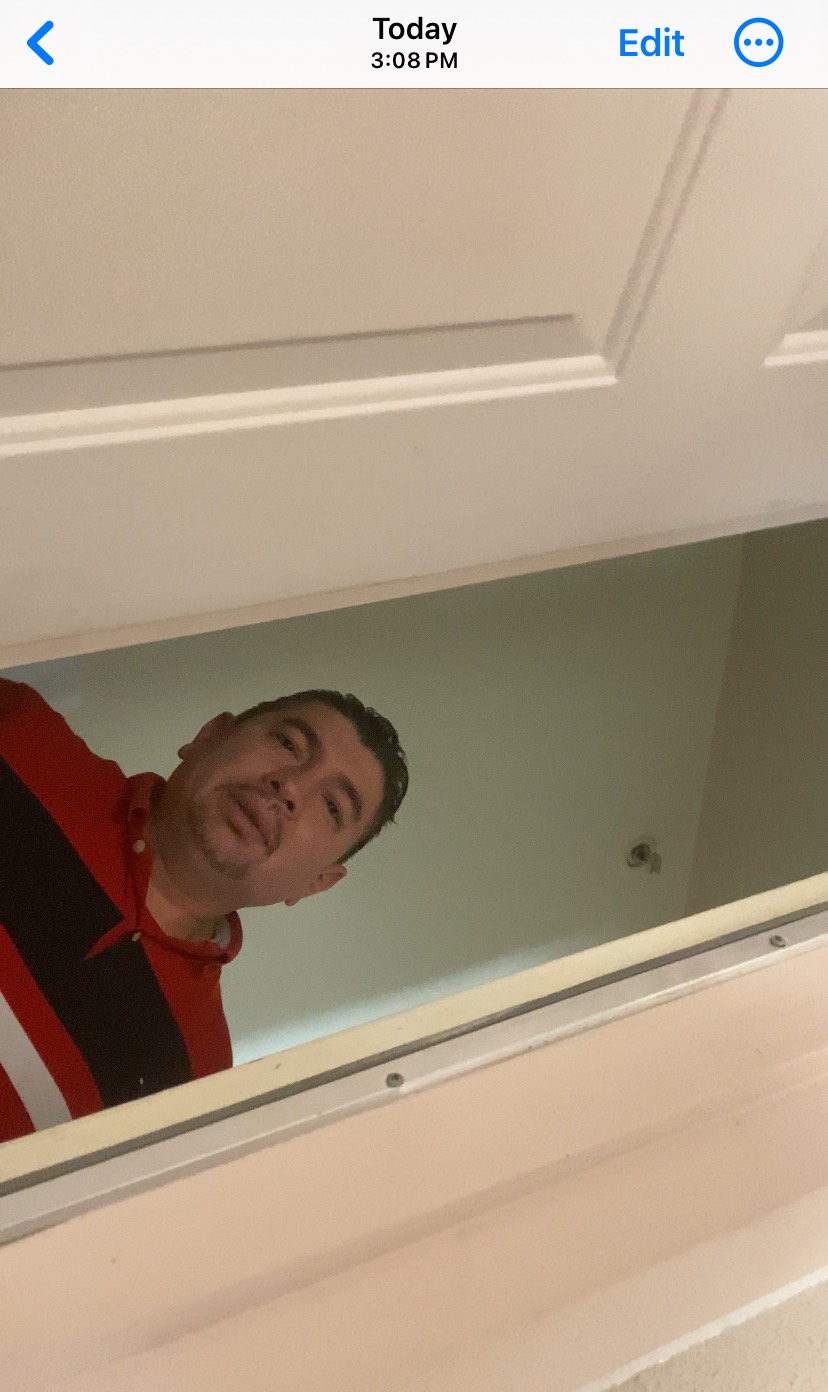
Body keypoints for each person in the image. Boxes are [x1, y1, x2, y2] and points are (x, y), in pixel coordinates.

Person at [0, 677, 408, 1143]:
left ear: (316, 883)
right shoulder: (18, 730)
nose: (291, 786)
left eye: (332, 806)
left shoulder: (194, 1081)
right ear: (208, 735)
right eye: (289, 743)